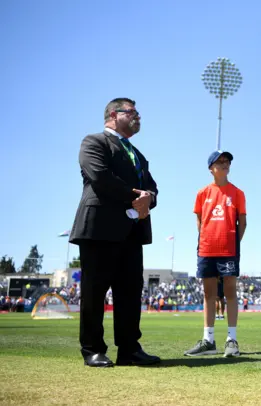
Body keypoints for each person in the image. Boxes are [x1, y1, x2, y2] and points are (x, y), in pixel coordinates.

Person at [69, 97, 160, 367]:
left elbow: (152, 188)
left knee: (130, 293)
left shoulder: (138, 155)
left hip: (132, 231)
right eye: (132, 111)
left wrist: (148, 199)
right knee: (95, 293)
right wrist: (136, 197)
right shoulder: (93, 142)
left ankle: (130, 349)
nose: (138, 116)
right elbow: (100, 177)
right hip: (99, 228)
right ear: (112, 114)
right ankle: (93, 349)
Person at [184, 151, 247, 358]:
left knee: (230, 293)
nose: (224, 164)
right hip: (206, 249)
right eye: (220, 162)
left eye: (227, 161)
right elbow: (199, 221)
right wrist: (208, 239)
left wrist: (232, 244)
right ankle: (208, 340)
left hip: (229, 250)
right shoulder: (202, 193)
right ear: (211, 168)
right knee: (209, 294)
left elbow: (243, 223)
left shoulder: (237, 193)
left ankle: (232, 340)